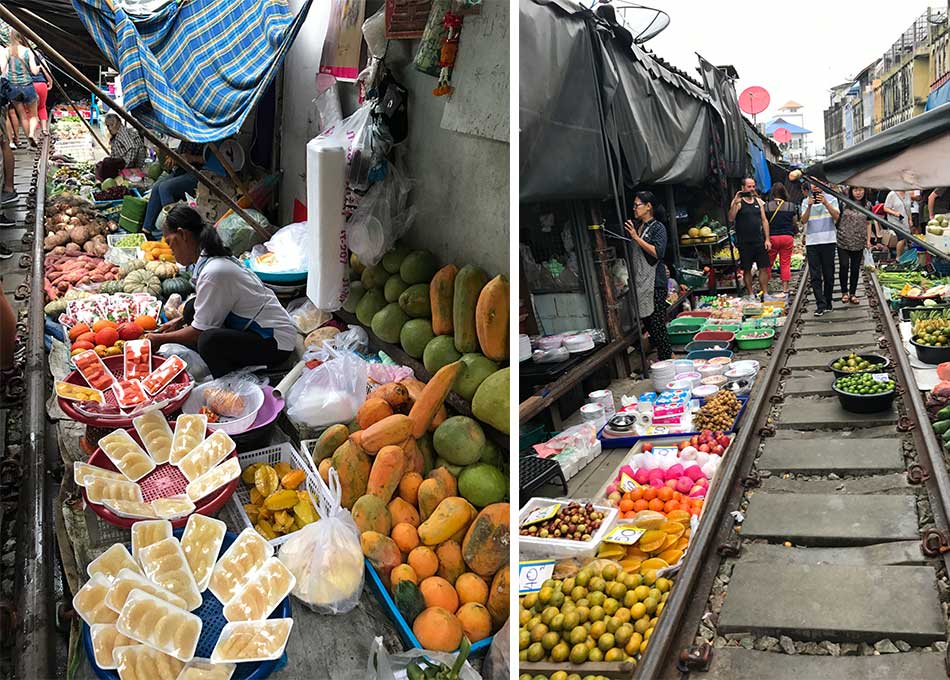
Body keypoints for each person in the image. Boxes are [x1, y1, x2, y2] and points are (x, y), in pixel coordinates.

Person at [144, 206, 295, 377]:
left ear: (183, 234)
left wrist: (159, 339)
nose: (171, 249)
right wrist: (178, 322)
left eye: (170, 242)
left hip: (275, 342)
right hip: (254, 328)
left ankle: (229, 382)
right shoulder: (209, 257)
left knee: (208, 341)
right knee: (191, 308)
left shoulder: (215, 271)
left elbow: (199, 333)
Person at [624, 191, 672, 360]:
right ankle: (666, 356)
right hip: (641, 281)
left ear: (649, 206)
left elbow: (658, 252)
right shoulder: (639, 227)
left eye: (637, 205)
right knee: (647, 321)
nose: (634, 209)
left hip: (655, 282)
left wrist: (636, 238)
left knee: (658, 324)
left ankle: (666, 359)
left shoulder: (658, 228)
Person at [142, 142, 205, 239]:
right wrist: (173, 157)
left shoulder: (209, 137)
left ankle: (173, 231)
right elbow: (180, 154)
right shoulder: (186, 135)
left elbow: (208, 160)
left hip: (200, 174)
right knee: (156, 187)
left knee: (165, 187)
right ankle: (146, 230)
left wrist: (191, 158)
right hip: (183, 170)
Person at [800, 182, 840, 317]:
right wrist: (810, 206)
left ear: (825, 184)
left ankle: (828, 301)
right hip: (812, 242)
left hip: (828, 240)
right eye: (813, 183)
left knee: (829, 274)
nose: (815, 186)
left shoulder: (832, 198)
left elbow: (837, 217)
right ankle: (820, 304)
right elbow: (803, 220)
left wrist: (826, 204)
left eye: (819, 182)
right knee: (815, 275)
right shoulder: (806, 201)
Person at [727, 177, 771, 299]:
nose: (751, 189)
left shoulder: (758, 201)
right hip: (744, 242)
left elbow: (764, 220)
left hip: (759, 240)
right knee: (747, 269)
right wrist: (735, 202)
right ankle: (751, 294)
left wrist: (767, 239)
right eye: (749, 186)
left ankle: (765, 293)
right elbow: (731, 218)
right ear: (743, 188)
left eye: (753, 186)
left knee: (763, 267)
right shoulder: (739, 202)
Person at [0, 30, 38, 148]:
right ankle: (32, 134)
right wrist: (39, 67)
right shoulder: (28, 51)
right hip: (28, 86)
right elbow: (34, 72)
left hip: (13, 87)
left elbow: (2, 69)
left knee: (22, 116)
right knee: (33, 115)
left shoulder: (7, 51)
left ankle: (29, 142)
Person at [836, 186, 872, 305]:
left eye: (861, 190)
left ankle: (853, 293)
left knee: (855, 268)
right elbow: (837, 218)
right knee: (844, 265)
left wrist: (868, 240)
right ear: (851, 191)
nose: (858, 193)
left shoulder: (867, 205)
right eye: (855, 190)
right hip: (843, 239)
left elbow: (868, 223)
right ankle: (844, 292)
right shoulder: (844, 203)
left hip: (859, 241)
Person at [764, 183, 797, 295]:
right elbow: (794, 222)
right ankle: (785, 288)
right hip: (787, 237)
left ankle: (765, 287)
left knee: (768, 263)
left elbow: (764, 222)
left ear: (773, 193)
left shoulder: (767, 206)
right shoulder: (790, 206)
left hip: (772, 238)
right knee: (785, 263)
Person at [97, 113, 147, 180]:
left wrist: (126, 165)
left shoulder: (122, 132)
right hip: (122, 160)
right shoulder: (118, 134)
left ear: (113, 125)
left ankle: (105, 180)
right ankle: (102, 180)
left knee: (106, 162)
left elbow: (132, 148)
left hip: (126, 162)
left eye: (108, 126)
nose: (108, 129)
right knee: (100, 164)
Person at [28, 46, 52, 137]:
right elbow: (45, 68)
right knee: (42, 107)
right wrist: (50, 81)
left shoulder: (20, 54)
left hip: (28, 84)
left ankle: (35, 132)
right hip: (41, 83)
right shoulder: (38, 54)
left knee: (30, 110)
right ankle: (44, 130)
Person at [883, 189, 911, 257]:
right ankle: (898, 257)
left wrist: (910, 219)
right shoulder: (892, 194)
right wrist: (895, 213)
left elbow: (908, 209)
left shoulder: (907, 194)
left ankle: (902, 256)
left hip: (904, 221)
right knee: (902, 237)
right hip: (894, 221)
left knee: (905, 239)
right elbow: (885, 208)